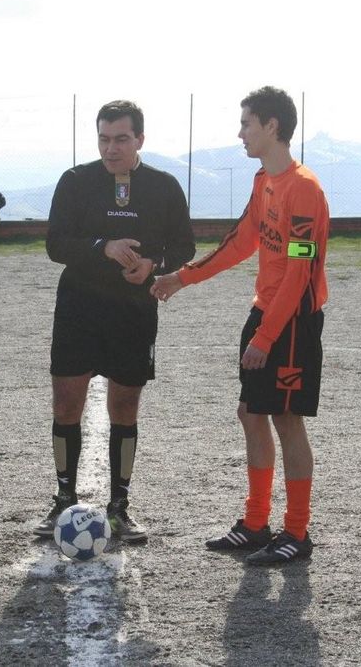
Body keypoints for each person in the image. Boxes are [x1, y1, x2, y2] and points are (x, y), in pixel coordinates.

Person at [151, 86, 329, 566]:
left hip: (293, 321)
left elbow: (299, 272)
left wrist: (266, 337)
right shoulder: (264, 181)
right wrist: (182, 278)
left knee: (286, 420)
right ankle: (255, 524)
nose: (240, 132)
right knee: (251, 413)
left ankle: (297, 532)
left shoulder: (304, 189)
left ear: (272, 126)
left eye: (247, 123)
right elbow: (241, 242)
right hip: (265, 311)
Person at [32, 99, 196, 544]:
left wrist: (152, 264)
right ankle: (64, 499)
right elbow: (55, 244)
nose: (111, 148)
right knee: (66, 405)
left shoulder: (163, 186)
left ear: (140, 139)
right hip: (79, 309)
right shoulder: (75, 181)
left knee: (124, 407)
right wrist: (103, 246)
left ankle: (120, 506)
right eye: (104, 139)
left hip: (133, 312)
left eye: (121, 139)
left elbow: (184, 246)